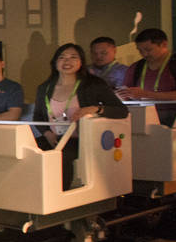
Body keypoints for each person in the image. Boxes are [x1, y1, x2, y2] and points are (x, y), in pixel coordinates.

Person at [33, 43, 127, 190]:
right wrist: (47, 134)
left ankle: (59, 196)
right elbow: (38, 116)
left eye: (73, 57)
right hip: (53, 137)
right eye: (62, 57)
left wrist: (96, 108)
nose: (67, 61)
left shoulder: (94, 84)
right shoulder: (45, 88)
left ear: (81, 61)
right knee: (28, 151)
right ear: (55, 62)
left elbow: (121, 111)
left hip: (81, 140)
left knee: (61, 156)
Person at [120, 28, 176, 130]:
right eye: (140, 50)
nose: (144, 54)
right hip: (142, 117)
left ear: (164, 44)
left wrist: (147, 95)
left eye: (148, 50)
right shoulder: (136, 67)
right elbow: (125, 93)